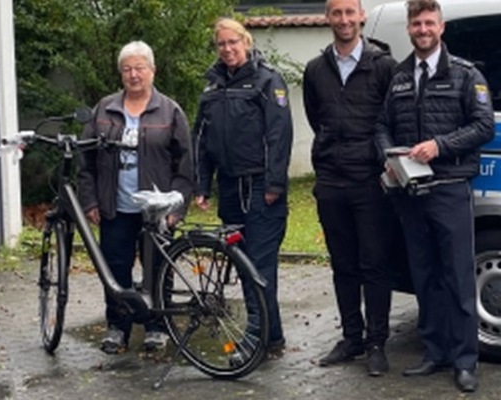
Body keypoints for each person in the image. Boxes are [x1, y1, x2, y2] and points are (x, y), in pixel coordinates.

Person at [375, 0, 494, 392]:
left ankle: (465, 361)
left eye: (429, 23)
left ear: (441, 27)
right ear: (410, 29)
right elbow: (382, 125)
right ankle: (435, 352)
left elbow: (482, 126)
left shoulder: (465, 74)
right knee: (424, 276)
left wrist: (439, 146)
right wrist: (389, 155)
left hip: (449, 188)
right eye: (417, 23)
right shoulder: (399, 77)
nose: (423, 29)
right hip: (411, 193)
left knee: (458, 277)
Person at [77, 40, 194, 354]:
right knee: (116, 270)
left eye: (139, 68)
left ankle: (157, 327)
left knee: (157, 270)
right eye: (127, 69)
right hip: (115, 207)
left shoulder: (170, 110)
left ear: (152, 71)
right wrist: (90, 201)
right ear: (121, 74)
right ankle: (118, 327)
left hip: (157, 211)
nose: (133, 75)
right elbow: (85, 160)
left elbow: (185, 163)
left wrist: (177, 207)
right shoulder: (105, 109)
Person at [302, 0, 398, 376]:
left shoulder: (383, 66)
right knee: (342, 265)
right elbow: (316, 118)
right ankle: (351, 338)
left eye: (349, 12)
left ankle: (377, 343)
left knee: (374, 265)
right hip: (330, 181)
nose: (344, 20)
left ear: (361, 16)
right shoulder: (315, 70)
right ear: (327, 18)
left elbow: (392, 117)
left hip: (370, 181)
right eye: (336, 13)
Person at [193, 17, 292, 358]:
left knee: (258, 268)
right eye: (221, 44)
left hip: (261, 187)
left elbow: (280, 135)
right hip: (229, 188)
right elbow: (201, 140)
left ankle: (255, 341)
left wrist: (274, 183)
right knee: (244, 264)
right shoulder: (212, 87)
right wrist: (202, 184)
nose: (227, 49)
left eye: (233, 42)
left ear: (246, 42)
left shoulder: (267, 80)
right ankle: (271, 337)